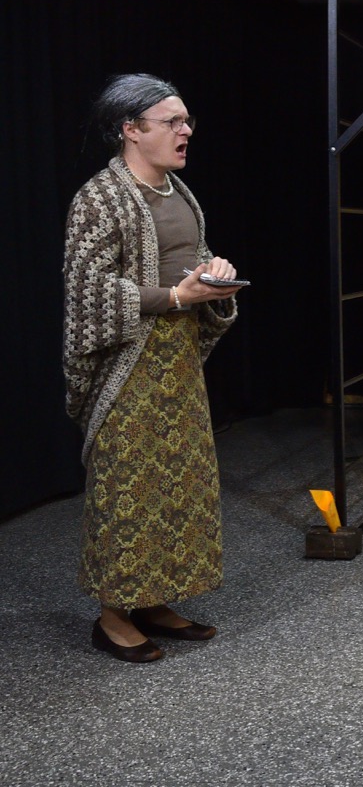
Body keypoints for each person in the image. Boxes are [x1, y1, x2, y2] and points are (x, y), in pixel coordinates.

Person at [63, 74, 243, 662]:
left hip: (178, 361)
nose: (186, 130)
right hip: (130, 365)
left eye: (187, 120)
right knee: (129, 487)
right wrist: (172, 297)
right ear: (131, 130)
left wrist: (212, 278)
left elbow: (187, 264)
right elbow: (87, 289)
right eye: (172, 121)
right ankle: (114, 615)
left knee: (179, 482)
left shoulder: (178, 193)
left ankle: (154, 599)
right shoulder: (99, 198)